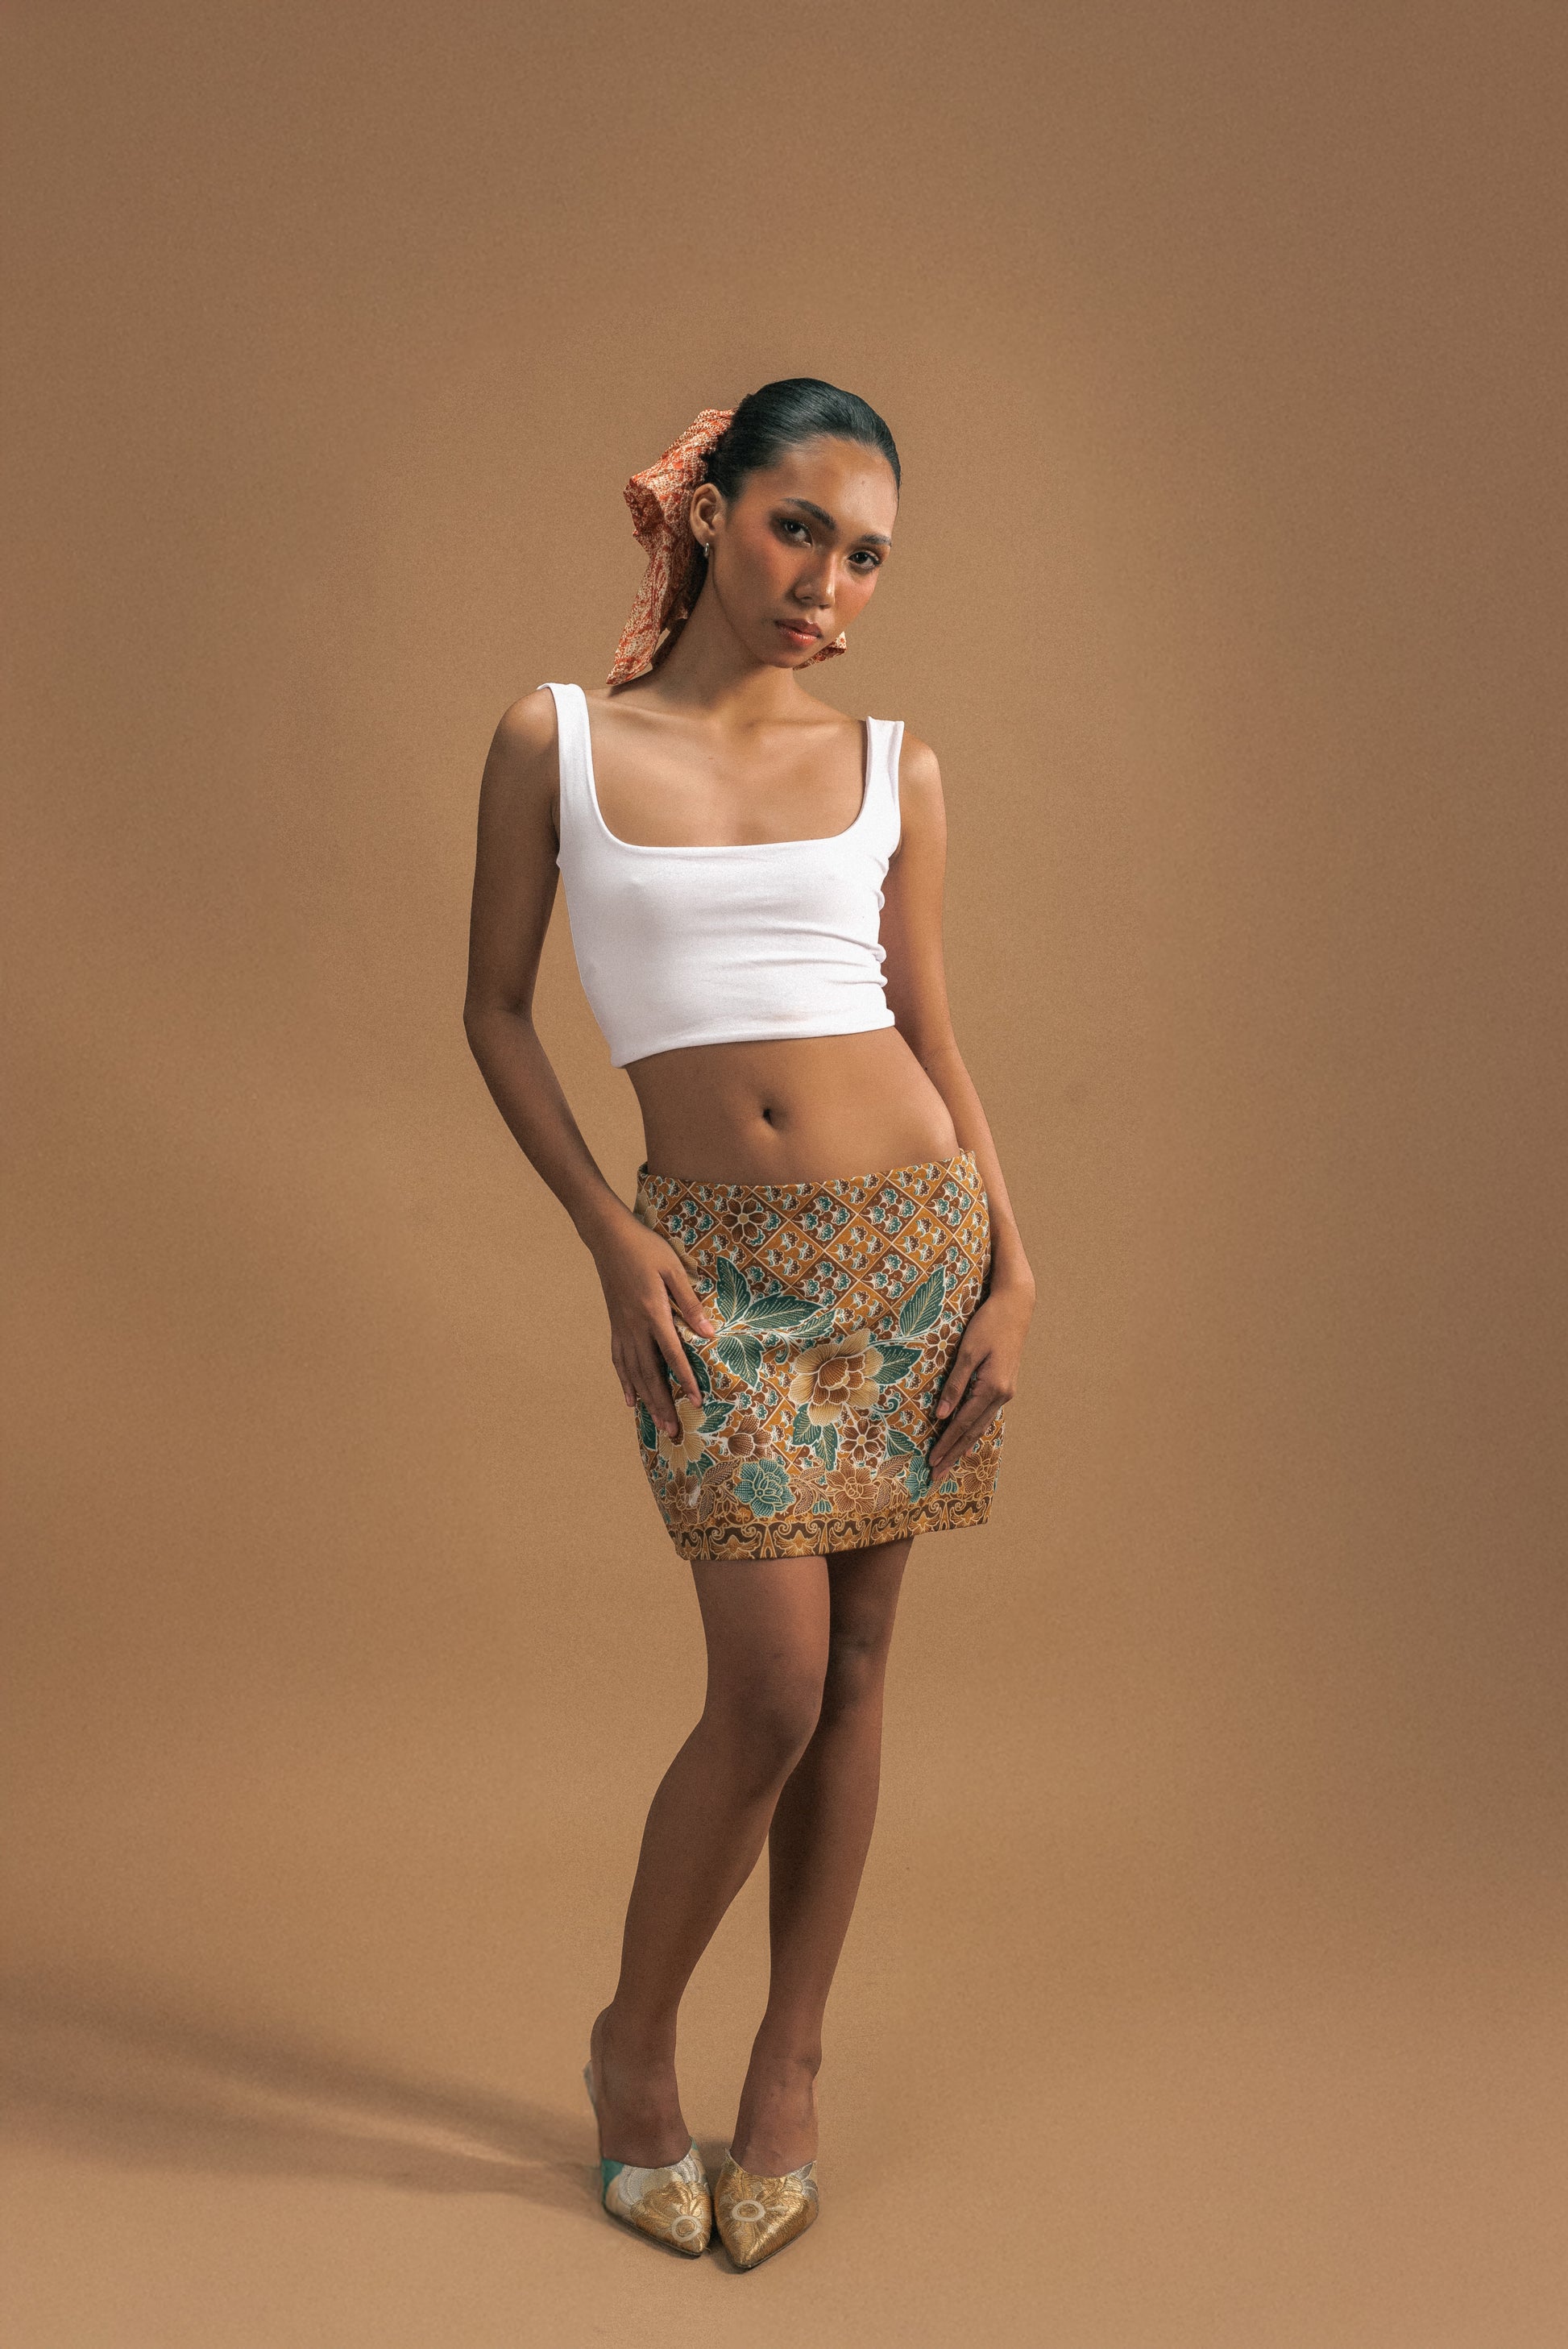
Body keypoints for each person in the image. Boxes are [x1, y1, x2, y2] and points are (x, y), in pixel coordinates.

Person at [463, 379, 1036, 2268]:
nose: (827, 586)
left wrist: (1015, 1268)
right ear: (709, 511)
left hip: (911, 1248)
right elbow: (492, 1010)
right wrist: (608, 1237)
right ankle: (634, 2045)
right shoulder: (553, 741)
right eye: (800, 529)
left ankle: (787, 2066)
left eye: (865, 558)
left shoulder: (893, 765)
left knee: (854, 1675)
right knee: (768, 1689)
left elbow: (932, 1033)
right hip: (709, 1260)